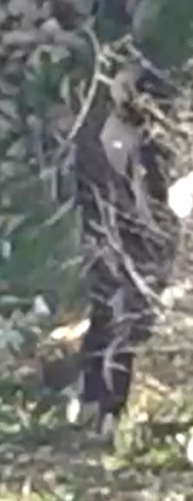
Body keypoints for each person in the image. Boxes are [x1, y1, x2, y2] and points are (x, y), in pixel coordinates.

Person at [71, 62, 175, 435]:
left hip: (99, 240)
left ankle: (86, 396)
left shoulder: (103, 133)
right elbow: (149, 204)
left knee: (102, 318)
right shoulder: (139, 144)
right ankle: (111, 412)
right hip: (131, 247)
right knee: (126, 327)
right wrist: (166, 237)